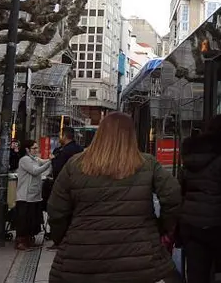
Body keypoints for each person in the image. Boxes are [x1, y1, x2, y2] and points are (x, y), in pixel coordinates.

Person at [47, 112, 181, 283]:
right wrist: (160, 228)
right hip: (139, 259)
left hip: (82, 257)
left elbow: (56, 210)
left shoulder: (75, 164)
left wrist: (66, 237)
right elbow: (173, 195)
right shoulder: (146, 163)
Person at [179, 113, 221, 283]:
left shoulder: (191, 155)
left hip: (190, 224)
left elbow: (182, 188)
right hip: (217, 224)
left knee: (197, 273)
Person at [15, 139, 52, 250]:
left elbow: (43, 161)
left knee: (33, 219)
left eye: (37, 148)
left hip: (35, 196)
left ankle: (29, 239)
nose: (36, 150)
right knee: (25, 219)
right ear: (27, 149)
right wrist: (50, 161)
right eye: (34, 148)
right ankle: (21, 241)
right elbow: (35, 171)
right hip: (25, 196)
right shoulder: (25, 160)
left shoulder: (34, 159)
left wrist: (50, 159)